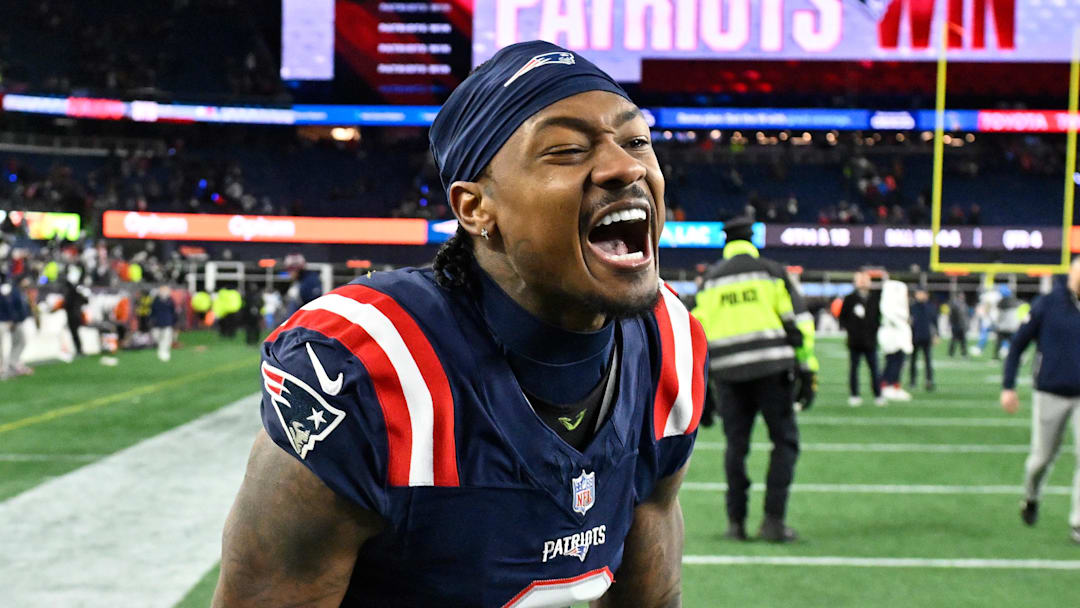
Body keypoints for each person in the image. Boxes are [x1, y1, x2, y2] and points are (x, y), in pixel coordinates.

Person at [214, 40, 707, 607]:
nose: (626, 166)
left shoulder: (668, 341)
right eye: (567, 150)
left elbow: (651, 591)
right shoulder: (371, 371)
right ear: (476, 209)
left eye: (637, 140)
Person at [691, 216, 818, 543]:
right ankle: (773, 521)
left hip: (728, 375)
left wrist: (702, 388)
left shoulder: (711, 280)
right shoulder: (772, 271)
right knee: (784, 442)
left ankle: (736, 523)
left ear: (726, 243)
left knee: (736, 447)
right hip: (772, 371)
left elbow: (697, 335)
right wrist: (807, 369)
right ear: (752, 240)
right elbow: (799, 323)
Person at [1000, 256, 1080, 544]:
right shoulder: (1047, 304)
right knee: (1042, 458)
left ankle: (1078, 524)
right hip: (1050, 391)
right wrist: (1008, 385)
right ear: (1072, 273)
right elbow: (1018, 344)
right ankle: (1031, 496)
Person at [839, 271, 885, 407]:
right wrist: (851, 330)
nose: (863, 282)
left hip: (870, 341)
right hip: (855, 341)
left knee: (875, 370)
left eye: (865, 280)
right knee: (854, 369)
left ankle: (878, 395)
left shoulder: (875, 298)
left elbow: (878, 318)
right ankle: (854, 395)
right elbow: (843, 317)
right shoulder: (849, 298)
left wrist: (874, 330)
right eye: (860, 280)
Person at [878, 276, 912, 401]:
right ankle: (886, 385)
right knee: (892, 359)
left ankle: (894, 385)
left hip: (899, 331)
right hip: (892, 332)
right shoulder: (889, 297)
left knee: (899, 359)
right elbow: (888, 312)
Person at [909, 287, 936, 391]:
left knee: (928, 360)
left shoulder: (930, 307)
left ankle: (929, 380)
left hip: (926, 337)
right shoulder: (912, 307)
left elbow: (934, 322)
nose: (920, 295)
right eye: (918, 293)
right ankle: (912, 381)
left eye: (922, 293)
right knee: (913, 361)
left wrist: (936, 335)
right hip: (914, 337)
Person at [149, 285, 178, 362]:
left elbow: (173, 312)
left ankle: (164, 352)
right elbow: (152, 312)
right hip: (157, 323)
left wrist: (174, 322)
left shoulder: (170, 301)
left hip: (168, 322)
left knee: (166, 337)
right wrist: (151, 320)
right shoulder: (156, 301)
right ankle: (160, 349)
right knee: (156, 336)